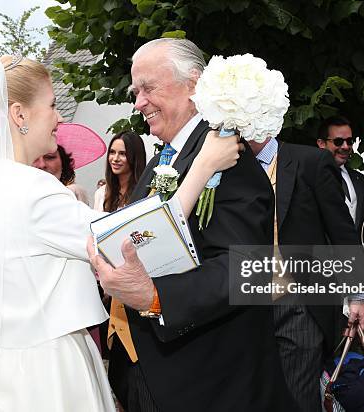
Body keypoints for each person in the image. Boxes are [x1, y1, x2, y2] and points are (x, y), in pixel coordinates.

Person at [0, 51, 242, 412]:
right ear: (19, 114)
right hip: (43, 368)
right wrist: (204, 166)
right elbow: (133, 239)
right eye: (50, 105)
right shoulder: (30, 188)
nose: (58, 117)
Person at [88, 38, 277, 412]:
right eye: (135, 91)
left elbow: (246, 269)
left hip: (207, 384)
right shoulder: (165, 159)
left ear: (193, 84)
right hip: (150, 373)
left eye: (148, 88)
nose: (138, 102)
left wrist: (157, 299)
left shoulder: (229, 158)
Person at [249, 134, 364, 411]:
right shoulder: (227, 165)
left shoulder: (311, 162)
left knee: (299, 397)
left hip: (300, 302)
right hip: (247, 304)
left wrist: (358, 294)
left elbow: (340, 230)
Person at [317, 115, 364, 246]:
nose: (346, 146)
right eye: (338, 142)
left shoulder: (359, 179)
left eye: (349, 141)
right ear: (321, 144)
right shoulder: (309, 179)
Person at [94, 130, 146, 212]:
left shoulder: (145, 192)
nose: (115, 159)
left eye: (122, 153)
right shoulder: (101, 193)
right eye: (112, 152)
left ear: (135, 157)